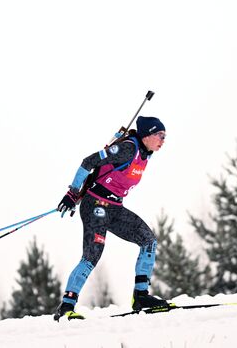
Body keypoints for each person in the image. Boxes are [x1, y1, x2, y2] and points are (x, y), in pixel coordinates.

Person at [53, 116, 168, 321]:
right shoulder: (127, 149)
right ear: (147, 134)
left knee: (148, 241)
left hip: (114, 208)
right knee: (91, 256)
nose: (163, 140)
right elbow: (88, 162)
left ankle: (141, 296)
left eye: (165, 136)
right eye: (160, 135)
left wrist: (117, 137)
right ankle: (66, 307)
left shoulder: (145, 153)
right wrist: (72, 193)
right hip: (95, 205)